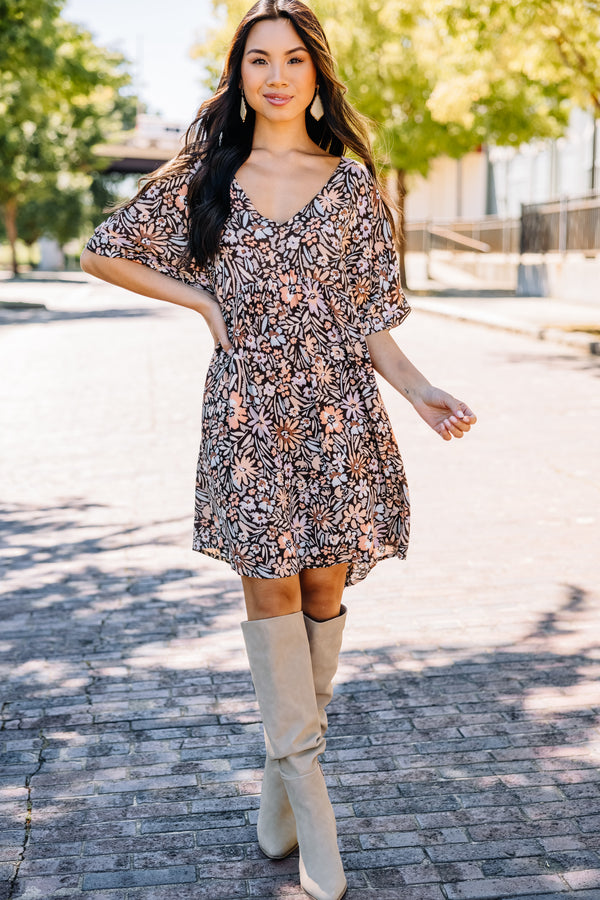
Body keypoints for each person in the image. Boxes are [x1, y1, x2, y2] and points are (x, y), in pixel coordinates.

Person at [81, 2, 476, 897]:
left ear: (315, 73)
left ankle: (279, 779)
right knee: (271, 582)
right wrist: (203, 302)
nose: (276, 75)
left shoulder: (349, 184)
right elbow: (105, 252)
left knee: (324, 588)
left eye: (293, 59)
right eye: (258, 60)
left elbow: (371, 315)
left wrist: (418, 392)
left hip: (338, 414)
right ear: (240, 75)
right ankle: (310, 796)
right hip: (248, 415)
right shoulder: (207, 175)